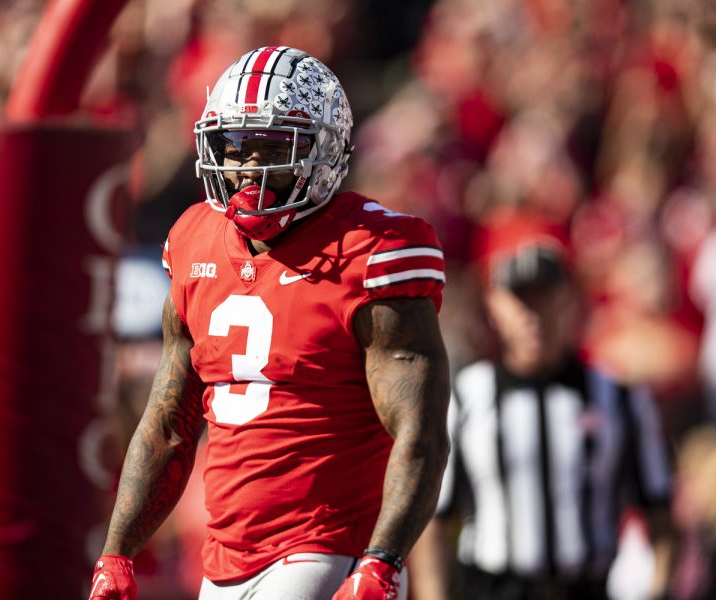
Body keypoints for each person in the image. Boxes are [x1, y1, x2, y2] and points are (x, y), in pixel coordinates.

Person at [89, 46, 451, 600]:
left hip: (328, 548)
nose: (251, 166)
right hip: (224, 554)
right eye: (236, 146)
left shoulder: (372, 252)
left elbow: (419, 432)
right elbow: (168, 422)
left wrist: (382, 560)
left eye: (275, 146)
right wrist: (117, 552)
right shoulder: (195, 241)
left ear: (325, 150)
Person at [409, 229, 674, 600]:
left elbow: (660, 509)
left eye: (546, 299)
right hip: (496, 589)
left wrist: (658, 588)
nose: (535, 316)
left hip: (586, 587)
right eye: (522, 300)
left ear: (570, 302)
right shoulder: (467, 396)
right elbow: (435, 519)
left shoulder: (620, 397)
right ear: (495, 306)